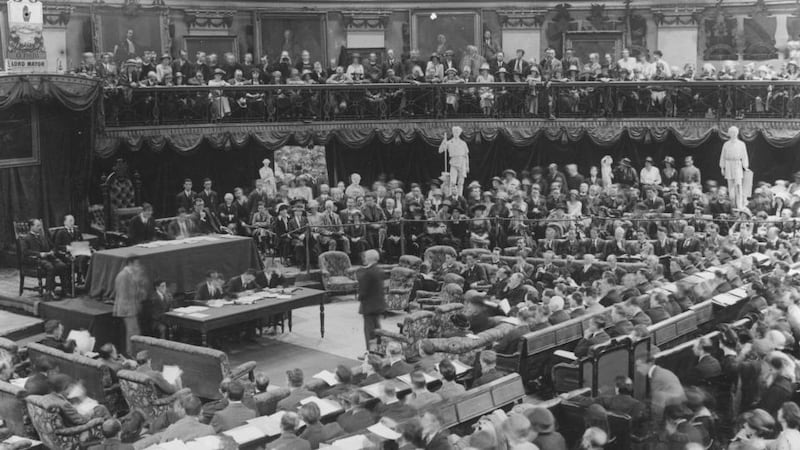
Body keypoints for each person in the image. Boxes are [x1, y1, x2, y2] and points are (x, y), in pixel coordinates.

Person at [21, 218, 68, 300]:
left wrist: (52, 251)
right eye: (37, 226)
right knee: (50, 267)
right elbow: (25, 252)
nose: (40, 228)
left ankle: (65, 290)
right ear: (31, 227)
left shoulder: (43, 237)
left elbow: (52, 246)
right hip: (35, 260)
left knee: (62, 265)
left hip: (48, 257)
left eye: (40, 225)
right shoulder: (26, 238)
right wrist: (39, 254)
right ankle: (49, 293)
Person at [113, 257, 147, 355]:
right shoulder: (124, 276)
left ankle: (133, 352)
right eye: (136, 264)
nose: (138, 267)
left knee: (134, 331)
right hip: (127, 308)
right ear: (130, 264)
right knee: (132, 332)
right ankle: (132, 353)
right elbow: (123, 294)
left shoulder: (130, 275)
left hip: (131, 307)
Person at [358, 249, 386, 351]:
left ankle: (370, 352)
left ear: (368, 258)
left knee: (369, 331)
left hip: (369, 306)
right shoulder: (379, 270)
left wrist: (360, 298)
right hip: (379, 305)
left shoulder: (367, 272)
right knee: (377, 329)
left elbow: (363, 291)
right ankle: (379, 349)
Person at [720, 125, 750, 209]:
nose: (733, 134)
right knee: (731, 187)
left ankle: (740, 205)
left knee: (738, 185)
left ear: (737, 133)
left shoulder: (741, 144)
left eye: (734, 132)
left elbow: (744, 155)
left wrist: (745, 166)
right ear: (729, 134)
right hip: (728, 164)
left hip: (737, 164)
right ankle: (732, 205)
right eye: (731, 132)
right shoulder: (726, 144)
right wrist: (722, 167)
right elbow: (723, 156)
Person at [438, 126, 470, 196]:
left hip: (462, 162)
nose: (456, 133)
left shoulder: (463, 143)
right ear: (453, 133)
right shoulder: (449, 142)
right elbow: (440, 150)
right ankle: (451, 195)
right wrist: (443, 141)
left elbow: (466, 155)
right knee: (452, 181)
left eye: (458, 132)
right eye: (455, 132)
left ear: (460, 133)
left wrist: (467, 166)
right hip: (453, 162)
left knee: (461, 181)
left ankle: (460, 196)